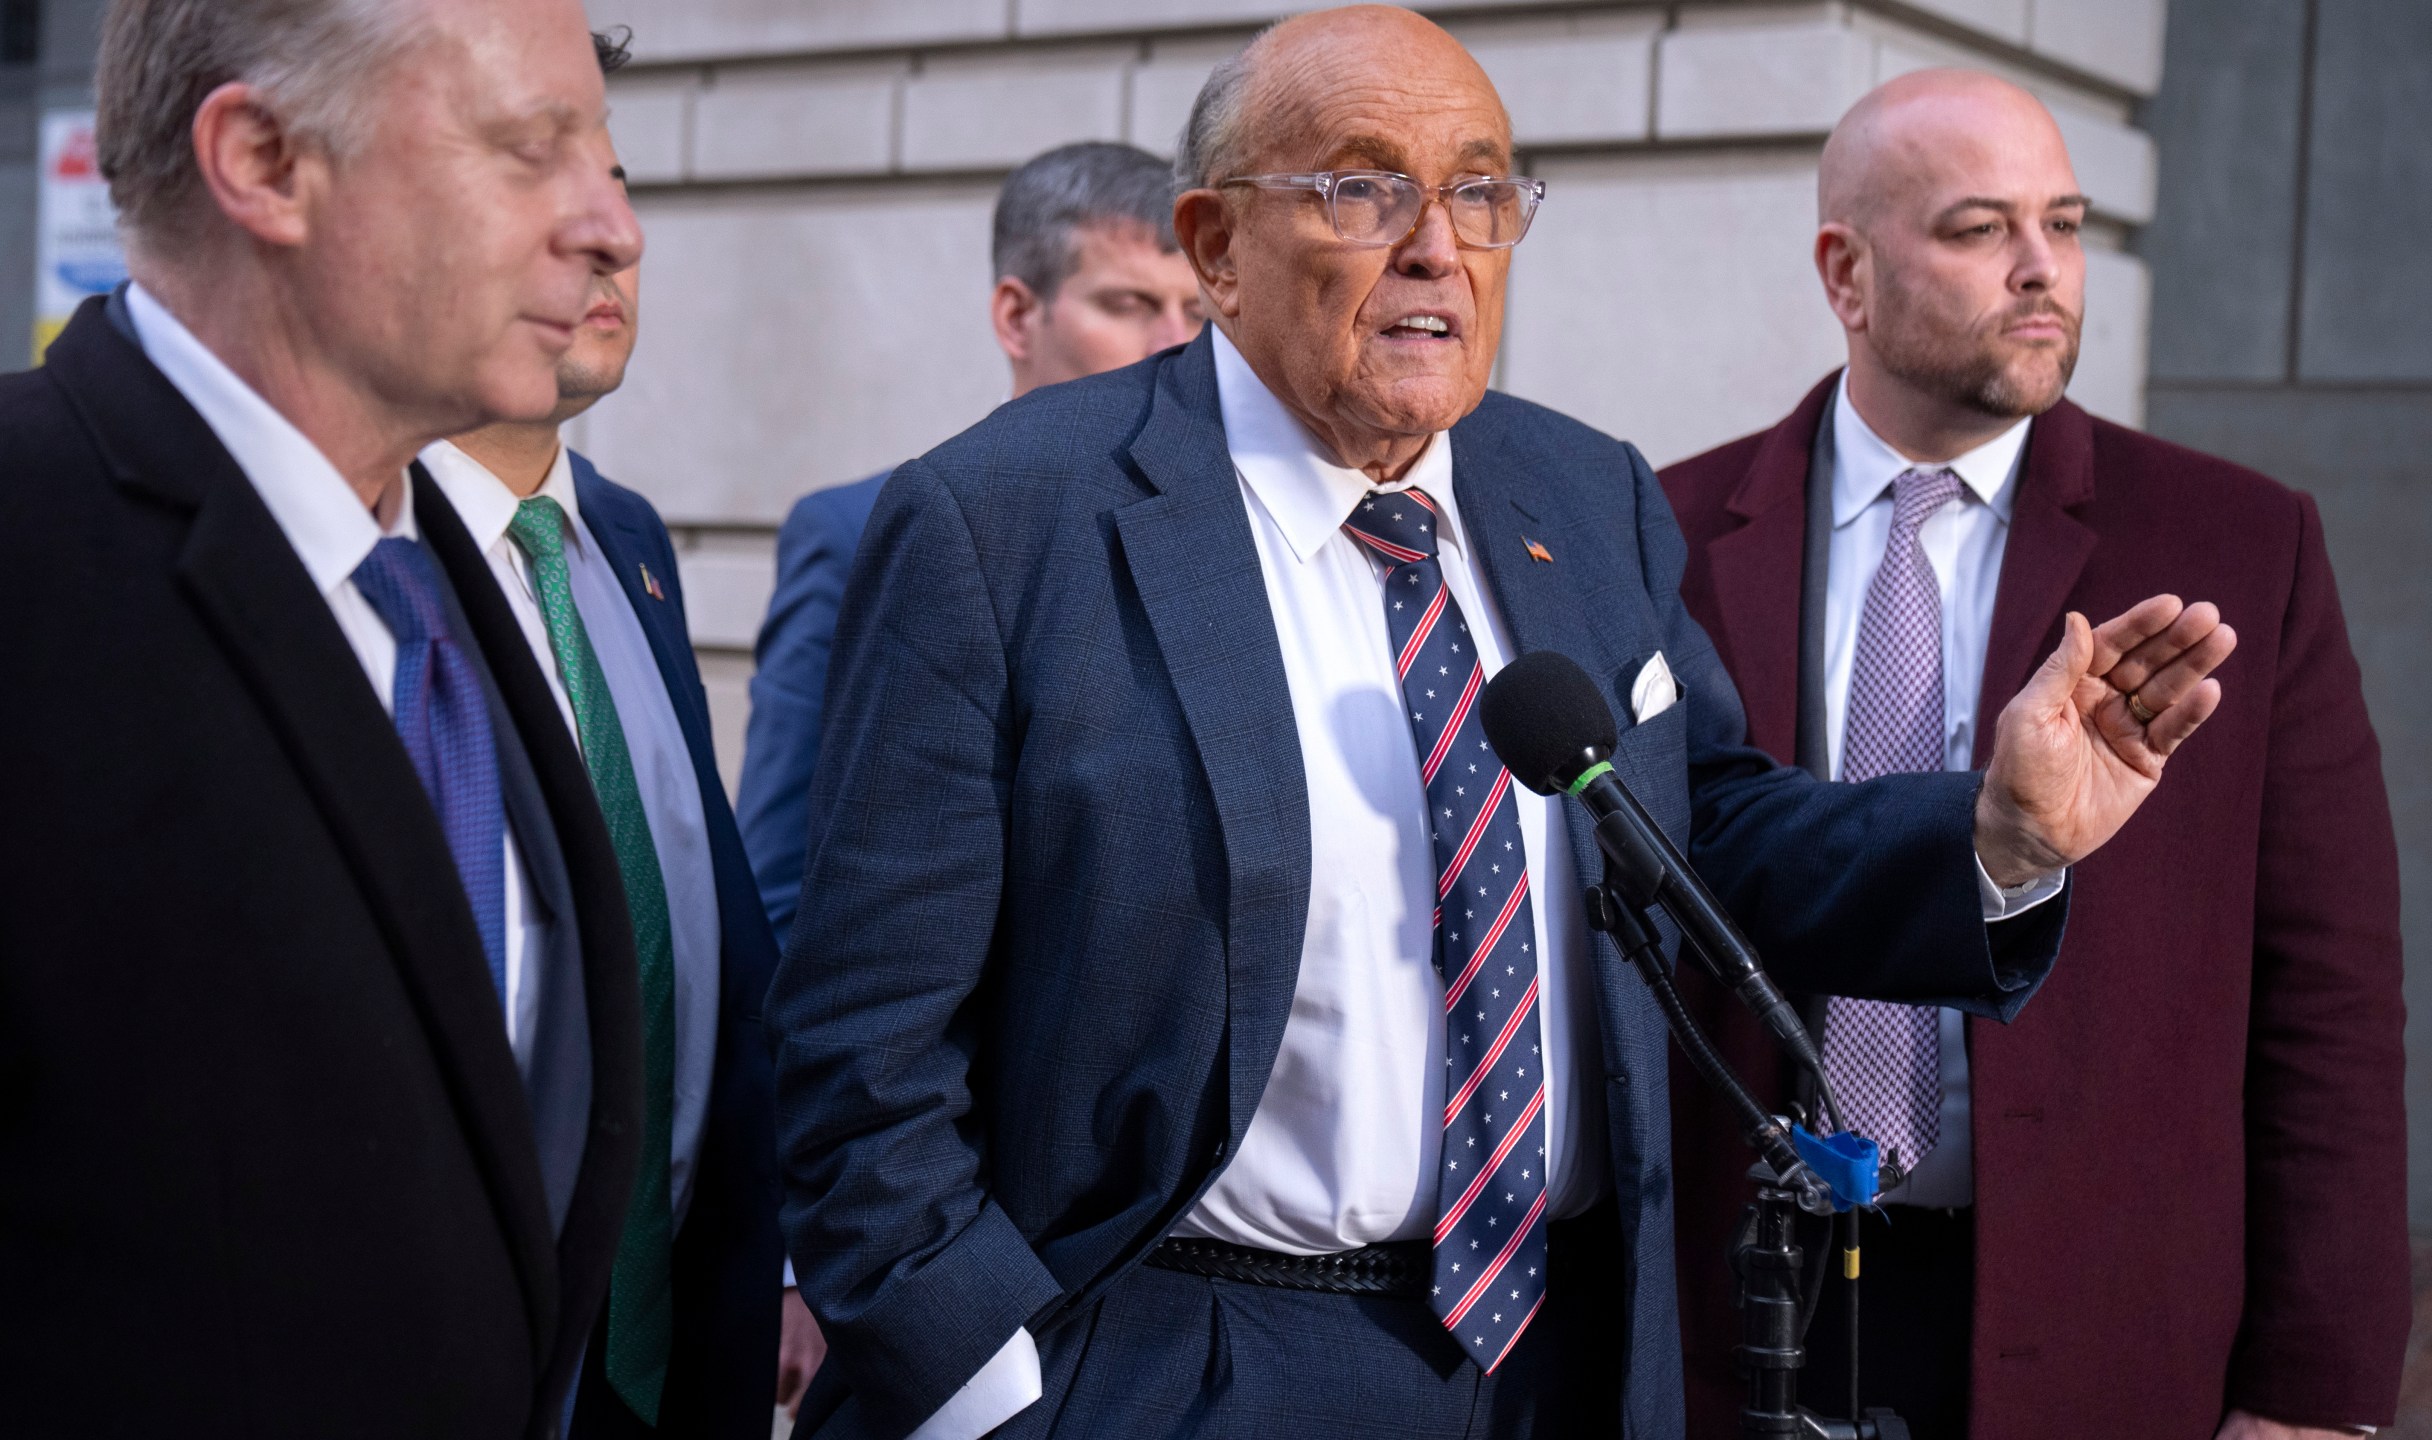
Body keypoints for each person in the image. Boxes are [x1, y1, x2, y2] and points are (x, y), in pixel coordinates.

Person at [767, 10, 2236, 1439]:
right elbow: (862, 1046)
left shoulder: (1582, 495)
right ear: (1216, 246)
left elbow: (1697, 829)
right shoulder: (1006, 521)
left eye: (1480, 193)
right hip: (1181, 1361)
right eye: (1361, 188)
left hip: (1560, 1359)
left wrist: (2000, 829)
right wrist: (988, 1395)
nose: (1437, 246)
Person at [0, 0, 649, 1434]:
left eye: (605, 157)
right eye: (533, 151)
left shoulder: (456, 592)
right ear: (266, 160)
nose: (614, 227)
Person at [1660, 69, 2405, 1440]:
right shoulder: (1664, 531)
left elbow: (2330, 991)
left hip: (2094, 1320)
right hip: (1735, 1314)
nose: (2041, 270)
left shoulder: (2237, 544)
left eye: (2062, 224)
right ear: (1849, 272)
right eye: (1976, 229)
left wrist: (2314, 1386)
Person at [421, 32, 821, 1435]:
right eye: (536, 180)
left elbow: (706, 937)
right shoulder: (358, 572)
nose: (612, 239)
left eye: (620, 182)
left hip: (670, 1359)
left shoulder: (628, 543)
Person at [738, 139, 1204, 944]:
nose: (1175, 343)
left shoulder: (1233, 539)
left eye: (1195, 311)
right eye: (1128, 304)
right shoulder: (858, 532)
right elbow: (783, 884)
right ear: (1018, 316)